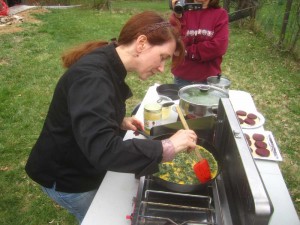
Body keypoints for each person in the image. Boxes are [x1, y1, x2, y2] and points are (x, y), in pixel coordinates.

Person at [25, 11, 198, 224]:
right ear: (141, 43)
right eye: (162, 57)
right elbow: (104, 150)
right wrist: (167, 147)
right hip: (67, 176)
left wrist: (117, 120)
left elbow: (87, 109)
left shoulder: (109, 60)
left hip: (80, 161)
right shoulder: (93, 77)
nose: (162, 68)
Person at [169, 0, 229, 87]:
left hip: (209, 79)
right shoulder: (181, 11)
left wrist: (186, 51)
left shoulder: (220, 14)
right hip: (183, 77)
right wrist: (178, 17)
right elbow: (174, 43)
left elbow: (219, 47)